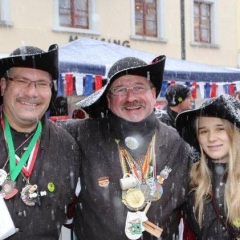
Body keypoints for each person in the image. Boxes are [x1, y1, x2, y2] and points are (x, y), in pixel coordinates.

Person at [64, 55, 192, 240]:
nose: (131, 97)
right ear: (108, 99)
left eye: (139, 87)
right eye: (120, 90)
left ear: (153, 93)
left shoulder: (179, 144)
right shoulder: (81, 135)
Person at [0, 44, 80, 239]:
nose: (32, 93)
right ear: (3, 85)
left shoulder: (67, 146)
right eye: (22, 80)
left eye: (42, 84)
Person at [176, 94, 240, 239]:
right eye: (204, 131)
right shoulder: (192, 181)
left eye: (220, 129)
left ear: (234, 132)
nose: (211, 138)